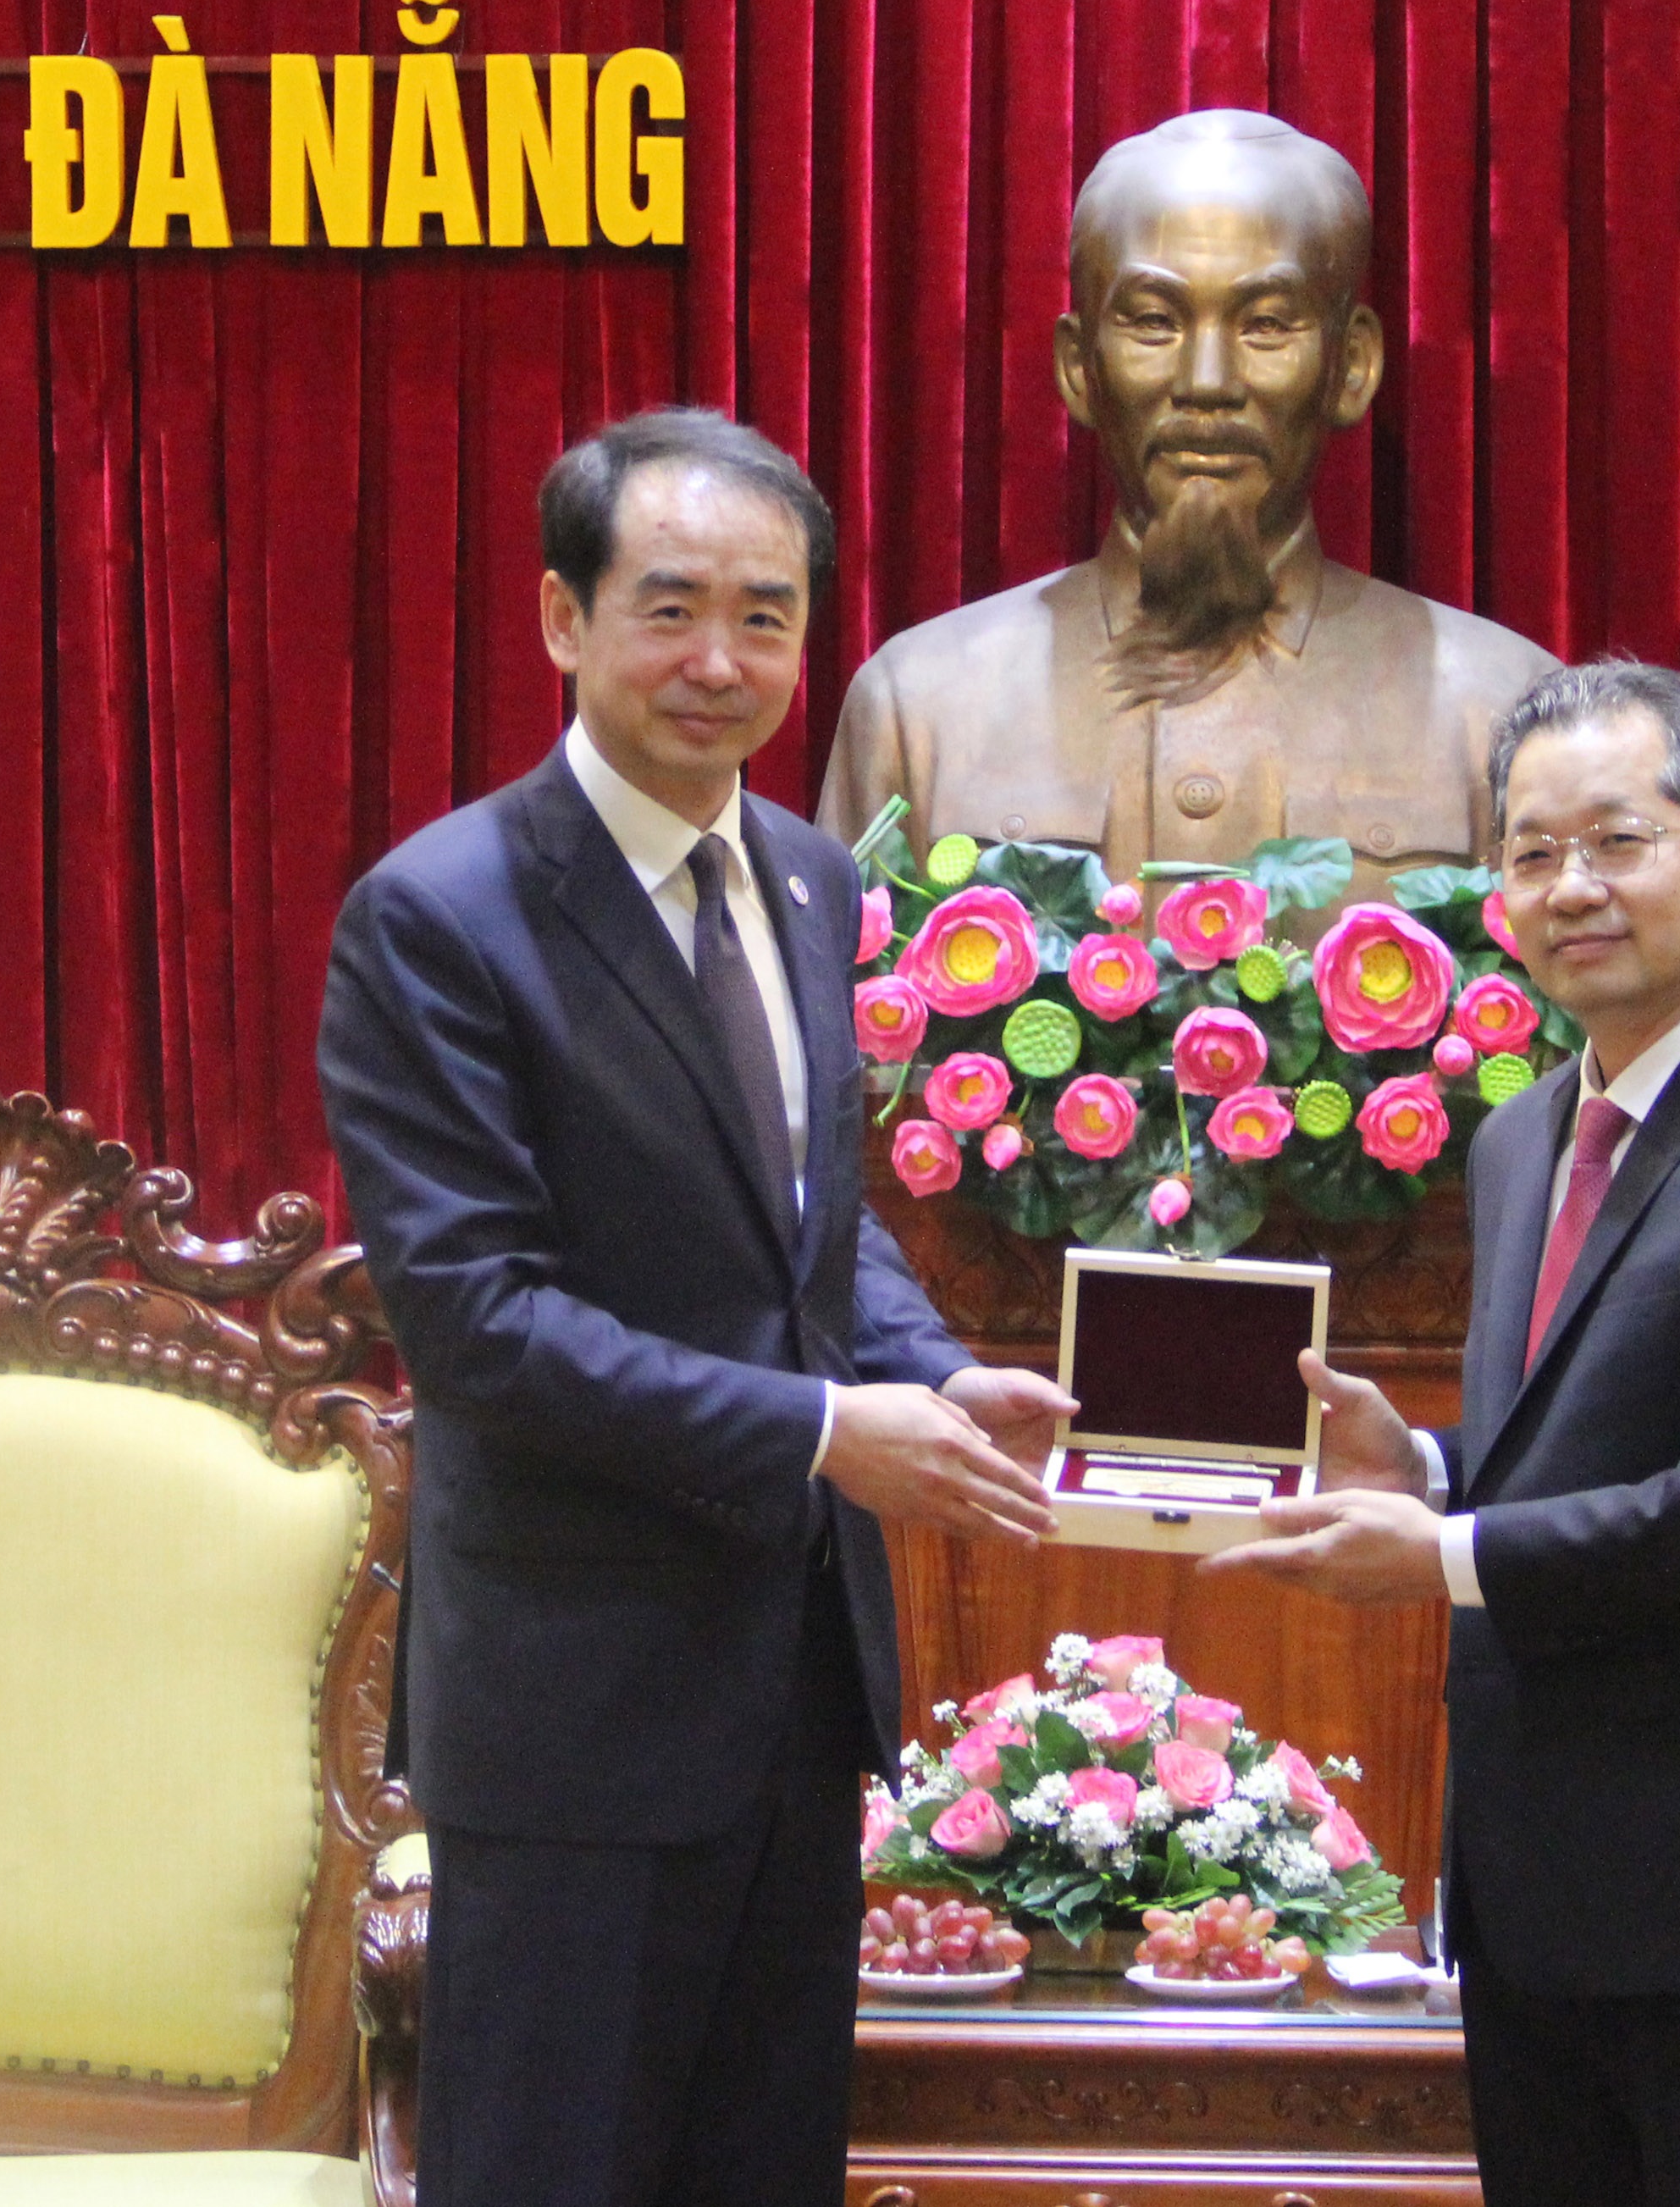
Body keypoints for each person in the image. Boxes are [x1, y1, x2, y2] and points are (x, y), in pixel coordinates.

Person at [318, 407, 1073, 2207]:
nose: (720, 664)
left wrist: (942, 1373)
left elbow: (810, 1231)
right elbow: (479, 1322)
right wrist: (827, 1427)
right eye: (669, 609)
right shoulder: (441, 914)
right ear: (562, 621)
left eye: (766, 614)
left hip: (794, 1683)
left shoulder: (812, 880)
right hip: (575, 1712)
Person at [1204, 661, 1680, 2207]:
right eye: (1530, 852)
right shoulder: (1523, 1128)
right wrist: (1419, 1465)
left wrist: (1445, 1552)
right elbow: (1582, 1437)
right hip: (1537, 1892)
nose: (1569, 887)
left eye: (1617, 841)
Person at [816, 109, 1552, 920]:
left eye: (1267, 324)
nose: (1208, 380)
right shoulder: (920, 708)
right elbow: (854, 1027)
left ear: (1352, 366)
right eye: (1154, 322)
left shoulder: (1500, 707)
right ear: (1078, 367)